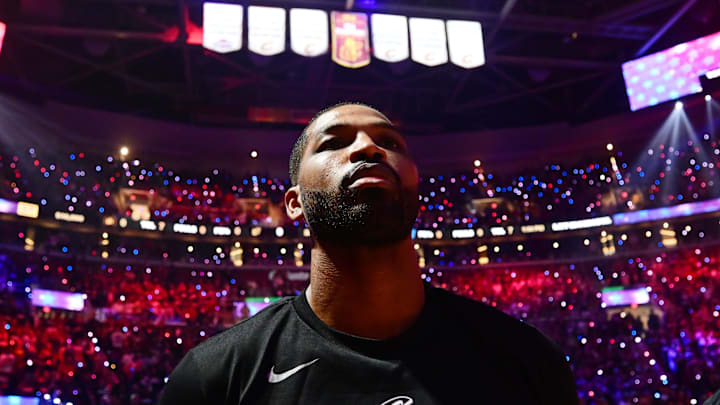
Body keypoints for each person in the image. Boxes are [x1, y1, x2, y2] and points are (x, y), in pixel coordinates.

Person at [158, 102, 579, 404]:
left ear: (416, 188)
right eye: (333, 143)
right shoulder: (214, 376)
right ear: (294, 202)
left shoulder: (524, 357)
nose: (368, 149)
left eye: (389, 142)